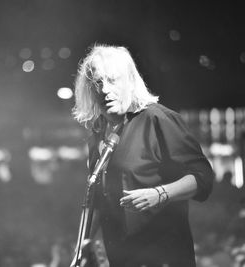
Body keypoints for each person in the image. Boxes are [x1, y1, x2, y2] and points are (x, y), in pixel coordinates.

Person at [71, 44, 215, 267]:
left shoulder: (157, 119)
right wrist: (81, 248)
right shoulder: (98, 133)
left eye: (112, 80)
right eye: (97, 83)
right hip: (121, 257)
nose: (104, 90)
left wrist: (160, 193)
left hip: (164, 256)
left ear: (129, 80)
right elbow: (97, 199)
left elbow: (203, 177)